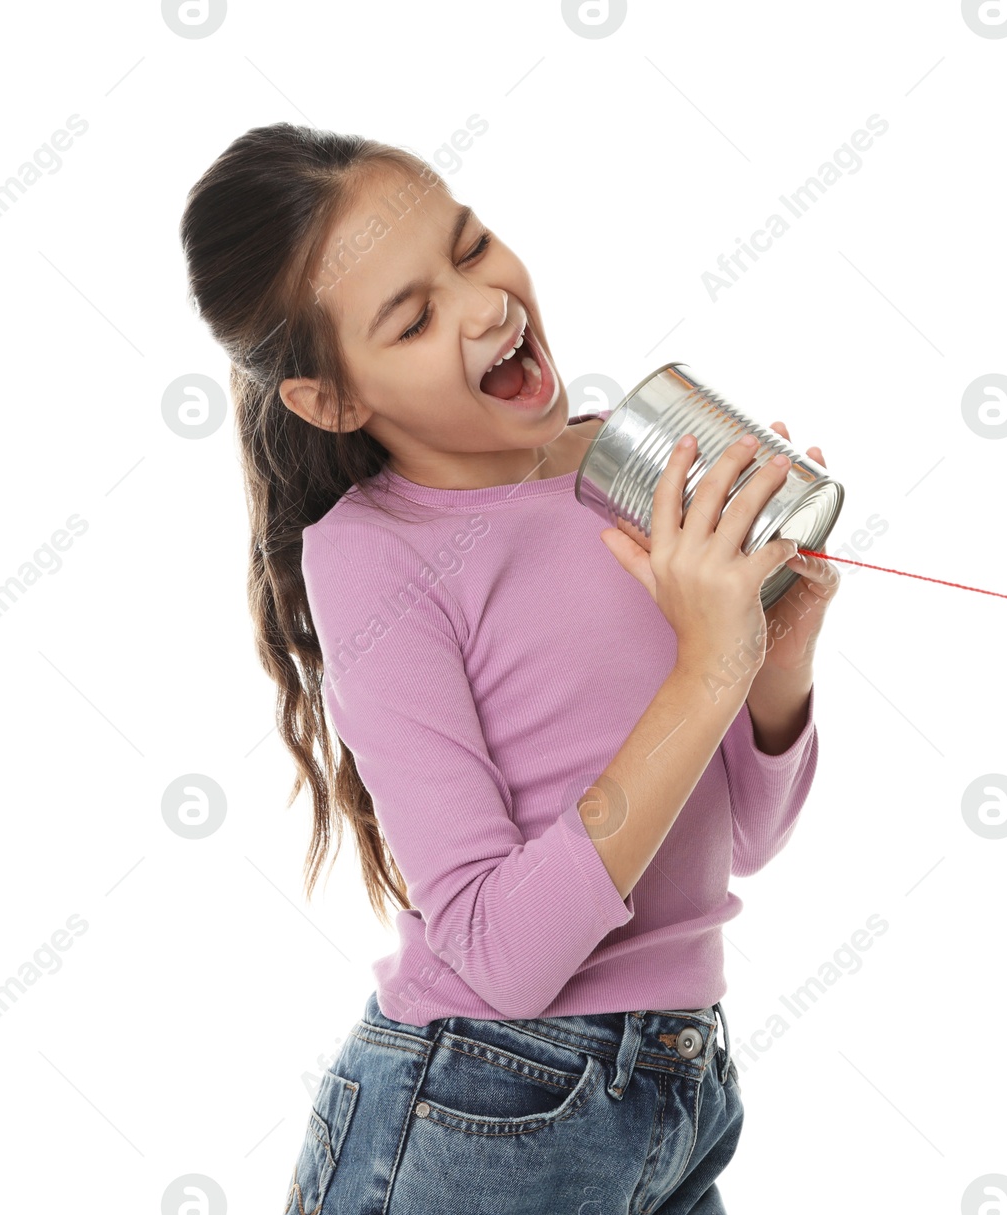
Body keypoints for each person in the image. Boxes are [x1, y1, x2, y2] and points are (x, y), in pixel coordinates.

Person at [178, 122, 840, 1213]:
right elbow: (501, 954)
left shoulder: (625, 475)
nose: (485, 305)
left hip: (679, 1092)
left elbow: (742, 844)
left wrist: (775, 653)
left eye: (471, 247)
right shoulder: (373, 556)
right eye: (414, 318)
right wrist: (708, 669)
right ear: (333, 400)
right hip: (484, 1105)